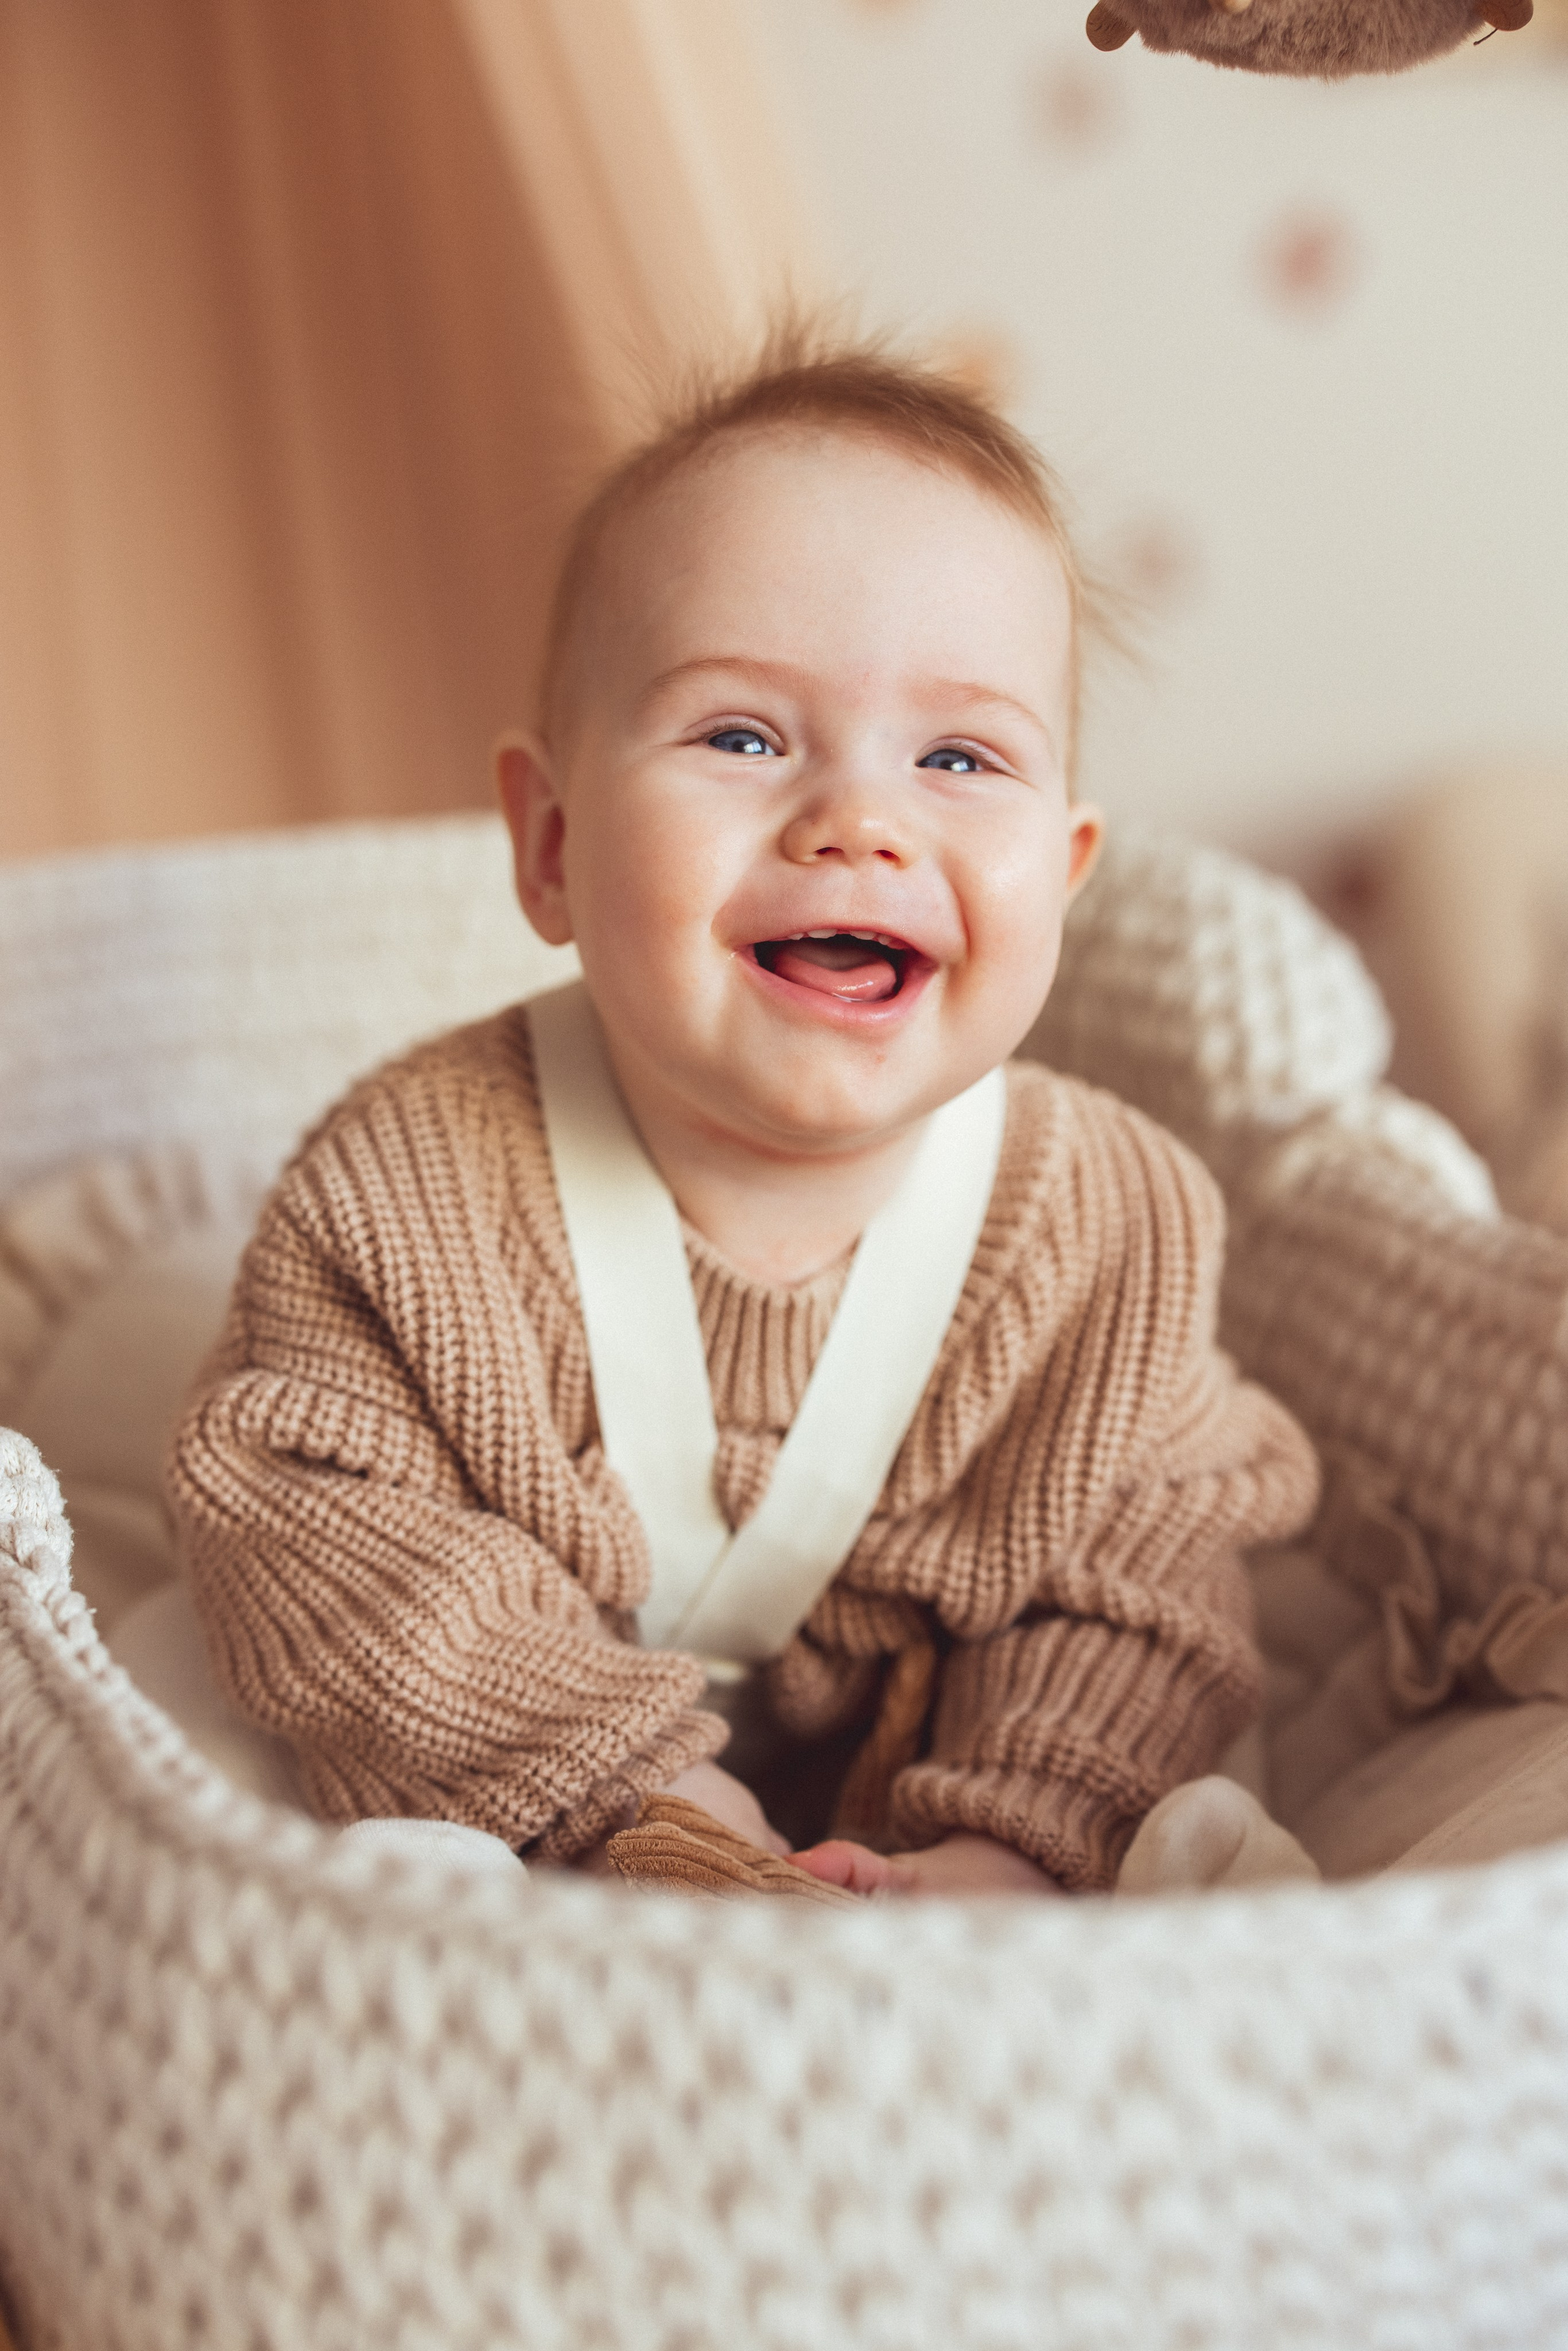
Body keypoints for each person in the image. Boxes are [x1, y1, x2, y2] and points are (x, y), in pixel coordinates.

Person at [166, 330, 1318, 1899]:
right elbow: (327, 1548)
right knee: (208, 1721)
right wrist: (642, 1805)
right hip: (550, 1786)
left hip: (944, 1792)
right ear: (552, 844)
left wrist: (1009, 1840)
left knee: (1205, 1793)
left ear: (1061, 869)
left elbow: (1136, 1578)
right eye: (741, 736)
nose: (856, 819)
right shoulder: (407, 1190)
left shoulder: (1106, 1225)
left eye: (958, 755)